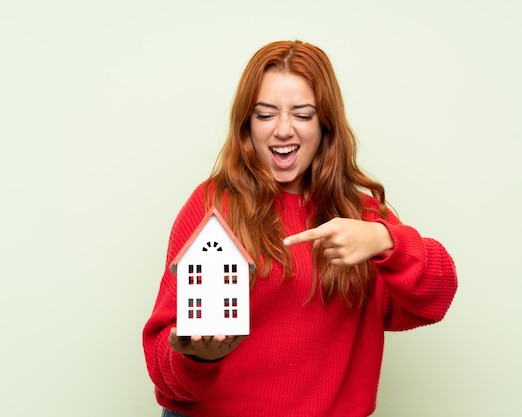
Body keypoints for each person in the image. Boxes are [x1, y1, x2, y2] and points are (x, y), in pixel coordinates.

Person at [142, 40, 457, 417]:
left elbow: (434, 299)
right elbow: (163, 365)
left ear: (326, 125)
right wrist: (197, 358)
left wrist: (385, 239)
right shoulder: (213, 206)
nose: (283, 130)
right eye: (265, 114)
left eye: (303, 115)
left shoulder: (359, 216)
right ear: (247, 124)